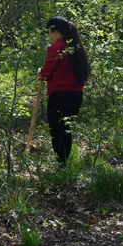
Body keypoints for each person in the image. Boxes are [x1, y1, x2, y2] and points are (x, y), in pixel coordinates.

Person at [39, 16, 90, 165]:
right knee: (67, 129)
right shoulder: (77, 47)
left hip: (59, 94)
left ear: (57, 32)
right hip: (76, 94)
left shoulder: (56, 48)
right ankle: (65, 163)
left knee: (56, 130)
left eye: (50, 31)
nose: (49, 35)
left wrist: (40, 72)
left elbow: (47, 73)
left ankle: (61, 165)